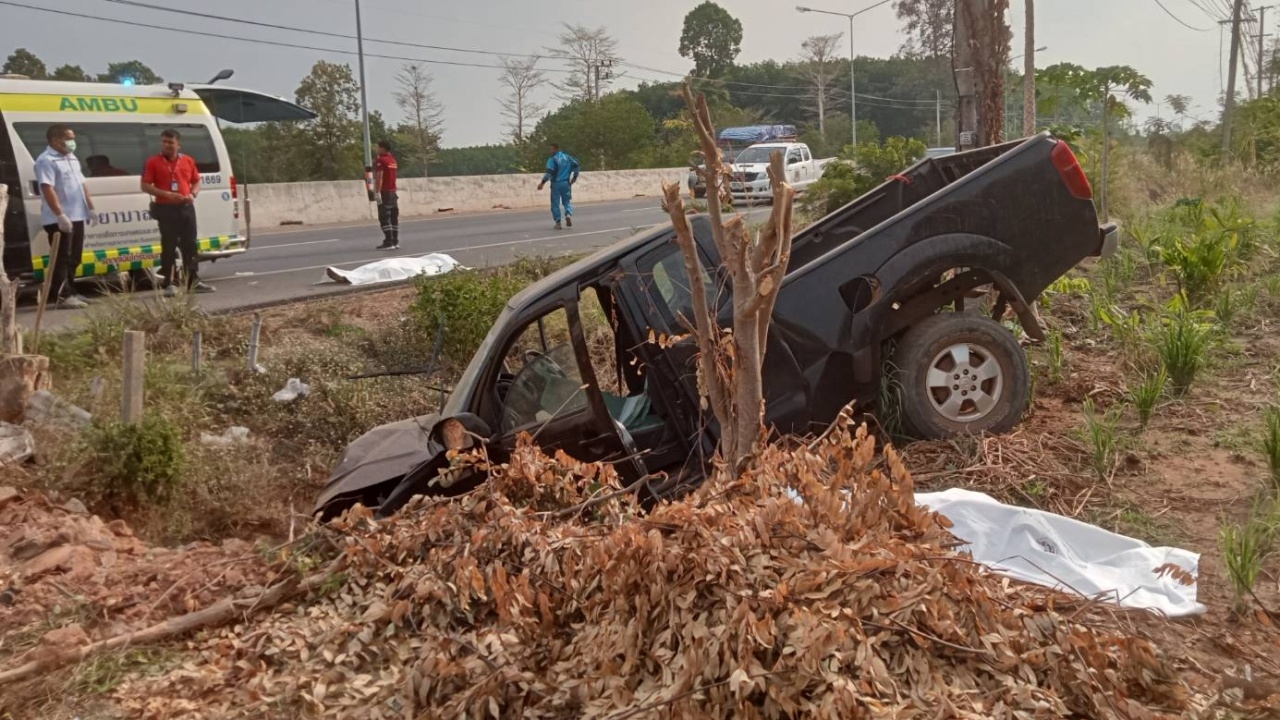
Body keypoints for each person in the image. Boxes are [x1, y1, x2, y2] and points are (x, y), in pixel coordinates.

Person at [142, 129, 213, 296]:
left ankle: (192, 281)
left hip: (186, 207)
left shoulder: (188, 160)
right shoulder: (153, 162)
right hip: (166, 208)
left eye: (170, 142)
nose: (166, 145)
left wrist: (192, 194)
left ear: (178, 144)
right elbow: (145, 185)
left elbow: (196, 181)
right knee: (169, 246)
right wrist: (167, 194)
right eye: (164, 142)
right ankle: (169, 282)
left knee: (190, 245)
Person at [34, 124, 94, 309]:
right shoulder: (46, 161)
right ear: (55, 140)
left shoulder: (71, 157)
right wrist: (60, 215)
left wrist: (90, 207)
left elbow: (82, 184)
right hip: (59, 219)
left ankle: (71, 290)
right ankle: (61, 295)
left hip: (77, 215)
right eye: (69, 139)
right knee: (62, 257)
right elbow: (47, 188)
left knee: (74, 257)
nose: (72, 142)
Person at [536, 143, 580, 230]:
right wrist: (574, 177)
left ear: (556, 149)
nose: (550, 151)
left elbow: (549, 172)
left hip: (556, 184)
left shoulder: (552, 159)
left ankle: (558, 222)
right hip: (566, 184)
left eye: (551, 149)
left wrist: (542, 183)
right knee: (567, 201)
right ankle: (568, 214)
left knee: (555, 204)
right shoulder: (568, 157)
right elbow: (576, 165)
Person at [373, 140, 400, 250]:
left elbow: (380, 177)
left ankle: (388, 242)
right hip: (393, 191)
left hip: (385, 192)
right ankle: (395, 241)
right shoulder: (392, 160)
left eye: (378, 147)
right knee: (393, 217)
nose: (377, 150)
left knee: (384, 217)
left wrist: (376, 191)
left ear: (383, 148)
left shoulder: (381, 160)